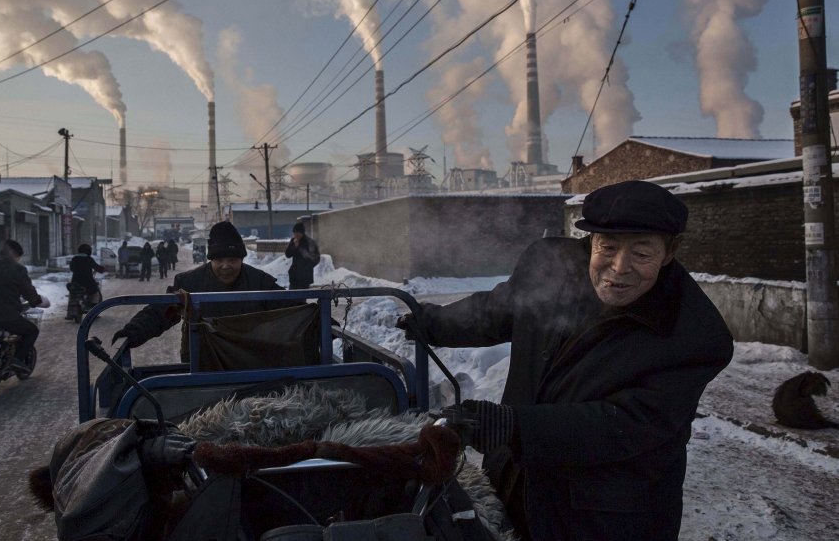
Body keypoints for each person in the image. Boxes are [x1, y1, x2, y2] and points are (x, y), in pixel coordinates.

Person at [397, 180, 733, 541]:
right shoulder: (552, 270)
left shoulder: (693, 336)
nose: (619, 268)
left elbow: (624, 425)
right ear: (590, 241)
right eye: (608, 247)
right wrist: (430, 323)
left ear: (669, 252)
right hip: (516, 488)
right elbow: (496, 311)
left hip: (604, 518)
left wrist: (513, 426)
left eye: (641, 253)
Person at [113, 221, 289, 360]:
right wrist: (133, 332)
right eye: (219, 260)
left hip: (248, 363)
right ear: (210, 259)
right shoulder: (189, 283)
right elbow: (162, 313)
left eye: (233, 260)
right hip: (202, 366)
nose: (226, 266)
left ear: (242, 259)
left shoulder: (261, 282)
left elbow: (292, 309)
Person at [0, 239, 51, 370]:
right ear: (16, 255)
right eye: (18, 258)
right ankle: (17, 359)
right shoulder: (17, 269)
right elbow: (29, 292)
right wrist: (36, 301)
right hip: (7, 318)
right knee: (31, 331)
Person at [285, 221, 320, 290]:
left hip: (305, 277)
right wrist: (294, 247)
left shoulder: (310, 242)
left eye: (297, 233)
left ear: (302, 233)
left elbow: (316, 258)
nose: (295, 235)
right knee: (291, 297)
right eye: (294, 233)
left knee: (301, 298)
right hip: (294, 276)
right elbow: (287, 254)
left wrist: (308, 267)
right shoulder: (293, 241)